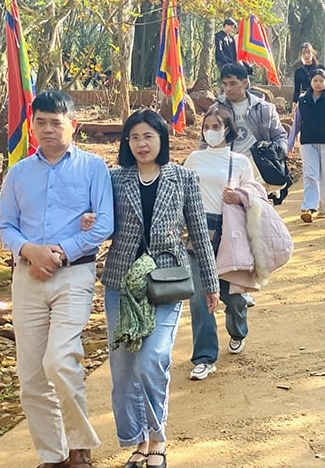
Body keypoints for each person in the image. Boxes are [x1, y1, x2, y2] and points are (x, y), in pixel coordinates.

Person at [0, 90, 114, 468]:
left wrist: (59, 251)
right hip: (26, 279)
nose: (47, 129)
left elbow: (105, 224)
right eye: (41, 122)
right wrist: (29, 251)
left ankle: (80, 447)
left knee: (61, 360)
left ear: (72, 125)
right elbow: (4, 225)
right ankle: (53, 454)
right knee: (31, 374)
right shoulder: (19, 173)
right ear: (33, 125)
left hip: (73, 275)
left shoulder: (94, 168)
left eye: (56, 122)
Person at [103, 108, 218, 468]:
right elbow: (104, 225)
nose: (141, 143)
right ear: (127, 142)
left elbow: (199, 232)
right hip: (121, 283)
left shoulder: (182, 178)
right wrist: (90, 220)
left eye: (148, 136)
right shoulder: (114, 179)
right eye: (134, 137)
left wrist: (211, 283)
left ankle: (158, 438)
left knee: (152, 359)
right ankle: (136, 441)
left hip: (167, 281)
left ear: (161, 140)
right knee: (123, 368)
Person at [184, 108, 257, 380]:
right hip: (198, 230)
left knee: (232, 294)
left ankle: (238, 329)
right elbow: (180, 189)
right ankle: (204, 357)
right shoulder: (193, 159)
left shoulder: (239, 162)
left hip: (229, 233)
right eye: (206, 125)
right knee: (199, 299)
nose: (210, 130)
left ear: (227, 129)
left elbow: (255, 195)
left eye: (216, 125)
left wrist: (238, 196)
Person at [208, 63, 288, 193]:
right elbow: (205, 141)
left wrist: (277, 152)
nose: (228, 88)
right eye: (225, 84)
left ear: (245, 83)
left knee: (254, 209)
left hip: (256, 169)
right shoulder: (215, 110)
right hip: (226, 167)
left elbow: (279, 136)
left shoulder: (264, 108)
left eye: (233, 83)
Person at [288, 69, 325, 222]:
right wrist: (290, 144)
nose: (318, 83)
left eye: (321, 80)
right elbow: (296, 123)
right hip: (308, 141)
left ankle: (324, 207)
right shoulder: (303, 100)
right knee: (310, 173)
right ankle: (308, 206)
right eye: (315, 80)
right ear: (310, 82)